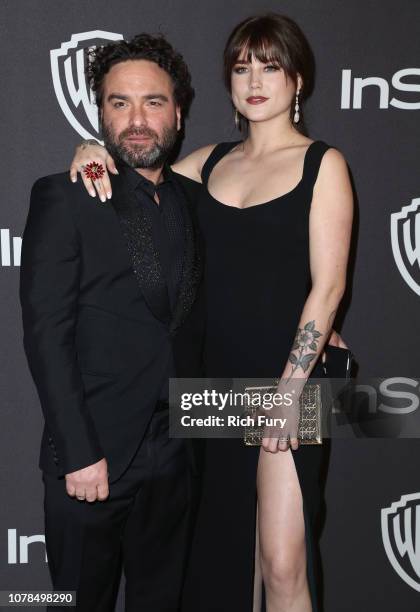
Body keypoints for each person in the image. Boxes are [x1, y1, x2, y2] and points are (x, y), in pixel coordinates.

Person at [70, 14, 353, 611]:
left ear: (297, 79)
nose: (254, 80)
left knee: (282, 561)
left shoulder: (323, 165)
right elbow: (135, 171)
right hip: (211, 381)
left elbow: (327, 289)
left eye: (270, 66)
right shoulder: (207, 162)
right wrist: (89, 150)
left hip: (290, 382)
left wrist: (291, 390)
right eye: (242, 67)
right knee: (221, 561)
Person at [20, 34, 205, 612]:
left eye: (153, 102)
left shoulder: (197, 201)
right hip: (92, 454)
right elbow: (47, 333)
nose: (137, 120)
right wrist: (78, 451)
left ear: (178, 111)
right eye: (119, 103)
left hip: (177, 452)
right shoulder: (66, 196)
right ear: (100, 113)